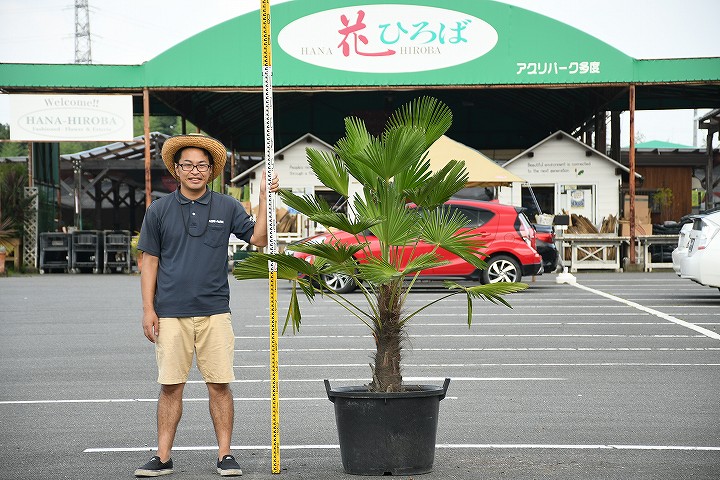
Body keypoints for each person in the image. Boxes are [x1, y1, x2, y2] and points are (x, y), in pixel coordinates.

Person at [134, 134, 279, 477]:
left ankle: (225, 455)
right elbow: (149, 261)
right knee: (170, 386)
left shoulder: (227, 206)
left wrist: (261, 200)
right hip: (170, 313)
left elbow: (258, 239)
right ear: (177, 170)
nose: (194, 171)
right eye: (187, 165)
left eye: (201, 165)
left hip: (215, 312)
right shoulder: (159, 210)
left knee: (219, 385)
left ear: (211, 170)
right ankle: (163, 456)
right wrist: (147, 309)